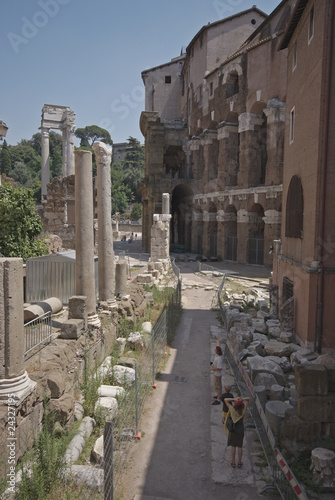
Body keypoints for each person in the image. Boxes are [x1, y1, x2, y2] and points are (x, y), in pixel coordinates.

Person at [224, 396, 250, 468]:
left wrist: (233, 399)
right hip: (240, 429)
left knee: (233, 446)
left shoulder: (232, 409)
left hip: (233, 429)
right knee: (240, 446)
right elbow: (248, 399)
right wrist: (243, 399)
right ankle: (239, 462)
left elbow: (225, 400)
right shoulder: (243, 410)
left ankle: (232, 461)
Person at [210, 337, 223, 405]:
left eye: (215, 350)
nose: (214, 350)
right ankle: (219, 395)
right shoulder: (218, 353)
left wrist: (213, 369)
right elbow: (218, 344)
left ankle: (218, 399)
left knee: (218, 386)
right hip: (216, 373)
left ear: (217, 351)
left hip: (217, 374)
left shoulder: (220, 359)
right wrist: (217, 339)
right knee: (216, 385)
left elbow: (220, 368)